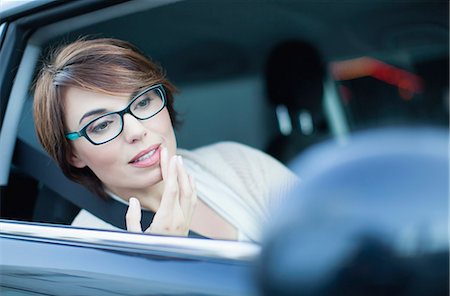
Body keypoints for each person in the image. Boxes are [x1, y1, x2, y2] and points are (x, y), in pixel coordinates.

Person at [33, 37, 298, 242]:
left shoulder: (237, 163)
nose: (135, 131)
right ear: (73, 154)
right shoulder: (83, 247)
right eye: (102, 125)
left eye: (144, 101)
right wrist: (162, 264)